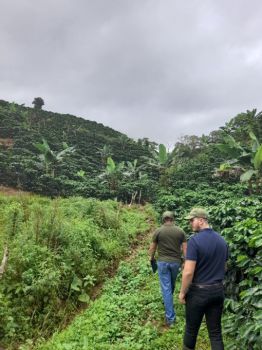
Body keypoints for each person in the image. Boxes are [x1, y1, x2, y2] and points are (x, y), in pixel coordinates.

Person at [179, 208, 228, 350]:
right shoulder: (222, 241)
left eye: (192, 220)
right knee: (215, 333)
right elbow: (224, 267)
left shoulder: (194, 241)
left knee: (191, 330)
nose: (190, 223)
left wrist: (182, 293)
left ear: (201, 220)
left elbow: (188, 272)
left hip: (198, 293)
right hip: (217, 291)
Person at [149, 211, 187, 326]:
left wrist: (151, 258)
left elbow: (152, 248)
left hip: (163, 263)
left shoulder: (158, 231)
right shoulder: (180, 231)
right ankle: (168, 301)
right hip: (175, 263)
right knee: (171, 284)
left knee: (166, 288)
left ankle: (170, 319)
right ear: (172, 219)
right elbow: (185, 249)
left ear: (163, 219)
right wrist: (185, 261)